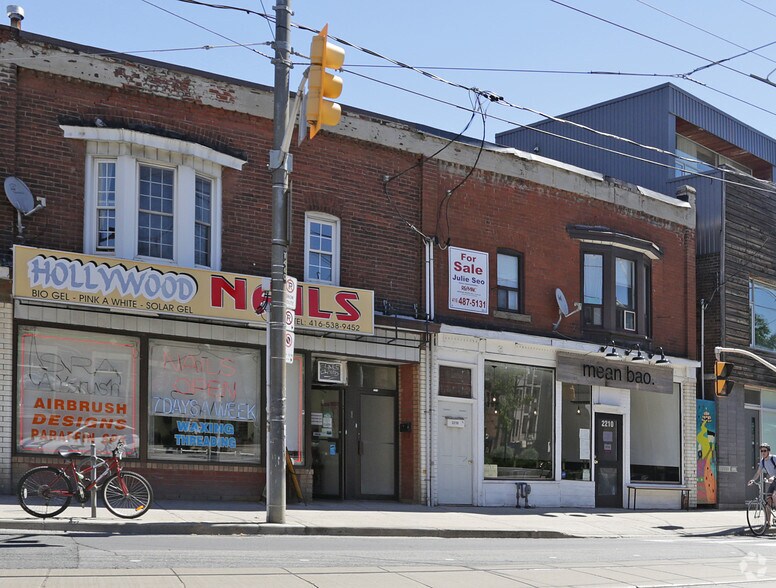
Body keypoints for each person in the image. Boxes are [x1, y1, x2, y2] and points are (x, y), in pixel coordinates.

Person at [749, 443, 776, 525]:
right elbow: (758, 473)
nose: (763, 452)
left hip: (774, 478)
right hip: (774, 481)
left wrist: (773, 477)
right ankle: (768, 522)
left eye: (764, 450)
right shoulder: (762, 461)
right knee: (768, 500)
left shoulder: (774, 458)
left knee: (774, 496)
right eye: (761, 451)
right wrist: (752, 480)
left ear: (768, 451)